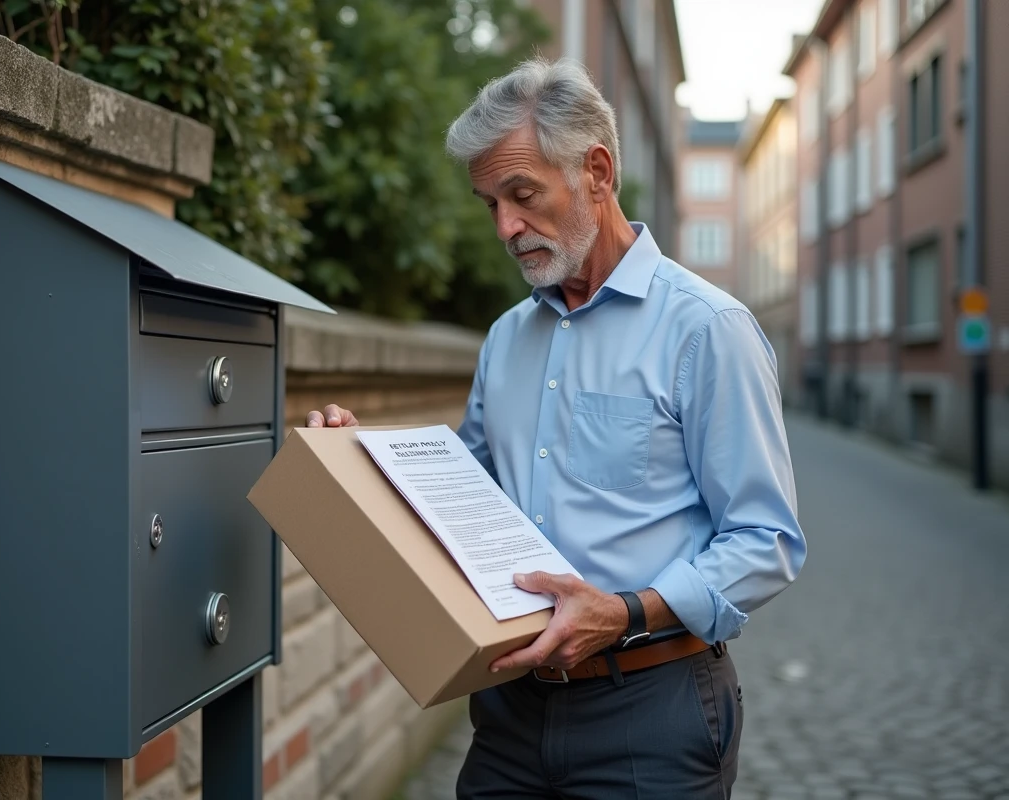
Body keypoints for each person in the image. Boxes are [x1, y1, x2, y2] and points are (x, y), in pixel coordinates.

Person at [305, 57, 805, 799]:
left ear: (597, 172)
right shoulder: (507, 337)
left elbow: (765, 540)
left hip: (650, 710)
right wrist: (357, 458)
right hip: (508, 716)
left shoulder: (706, 329)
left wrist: (626, 611)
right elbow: (461, 501)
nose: (506, 226)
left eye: (522, 194)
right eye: (490, 204)